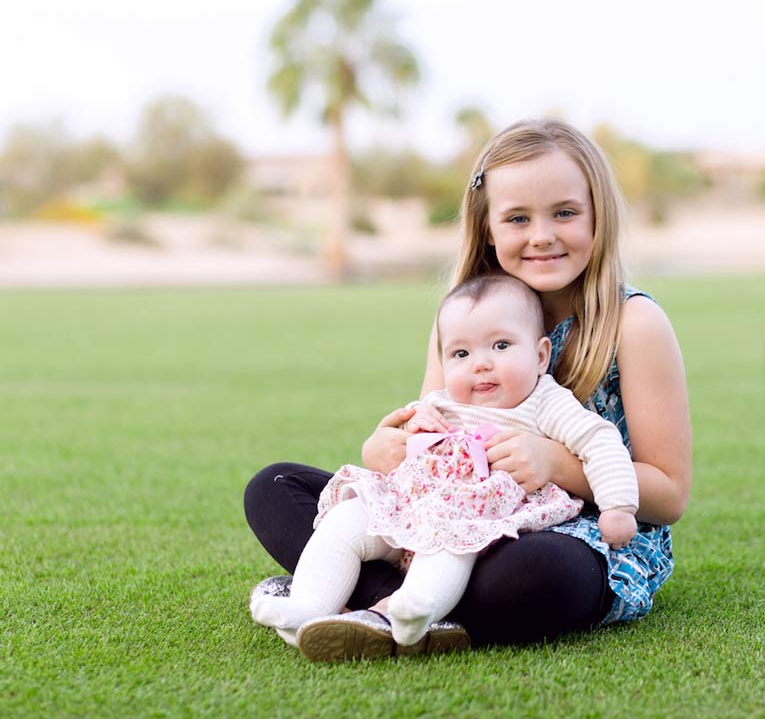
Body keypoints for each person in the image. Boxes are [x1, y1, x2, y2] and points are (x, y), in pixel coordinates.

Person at [243, 117, 692, 658]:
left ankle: (368, 603)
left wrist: (556, 465)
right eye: (518, 218)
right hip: (452, 515)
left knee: (534, 573)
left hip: (578, 534)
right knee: (275, 489)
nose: (542, 235)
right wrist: (388, 449)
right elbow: (434, 435)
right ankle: (406, 610)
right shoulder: (461, 319)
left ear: (600, 217)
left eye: (566, 213)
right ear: (488, 229)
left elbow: (668, 495)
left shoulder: (632, 323)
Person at [249, 274, 639, 650]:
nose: (480, 364)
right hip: (410, 507)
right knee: (341, 520)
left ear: (540, 356)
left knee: (455, 544)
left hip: (478, 519)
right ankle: (309, 607)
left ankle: (411, 609)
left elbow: (600, 440)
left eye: (501, 346)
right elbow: (403, 446)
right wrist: (407, 431)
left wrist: (617, 505)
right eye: (461, 354)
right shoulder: (444, 402)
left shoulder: (545, 401)